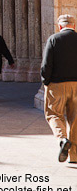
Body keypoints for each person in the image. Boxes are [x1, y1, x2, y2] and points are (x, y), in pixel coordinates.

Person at [41, 14, 77, 163]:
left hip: (56, 85)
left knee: (53, 114)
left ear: (60, 26)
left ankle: (62, 139)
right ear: (74, 26)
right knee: (75, 119)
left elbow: (46, 64)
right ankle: (74, 156)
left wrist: (46, 81)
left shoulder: (54, 39)